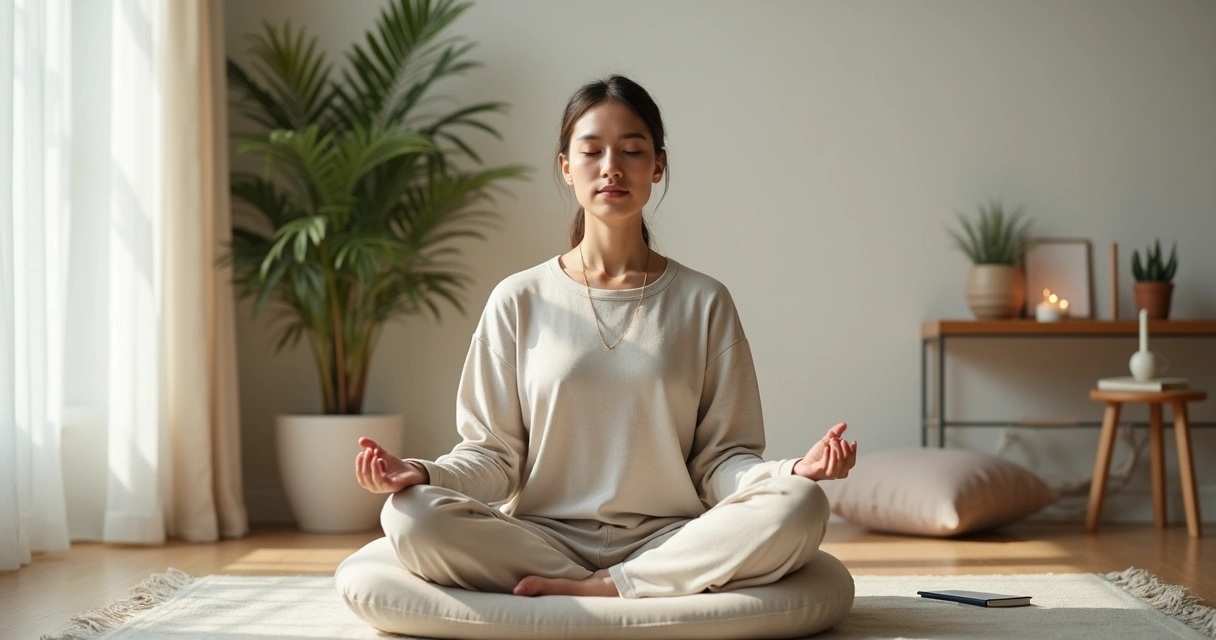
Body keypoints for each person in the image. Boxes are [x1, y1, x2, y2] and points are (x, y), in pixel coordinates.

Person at [354, 74, 858, 599]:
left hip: (672, 537)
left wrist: (795, 470)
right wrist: (417, 472)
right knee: (411, 514)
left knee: (801, 504)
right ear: (566, 167)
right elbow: (493, 458)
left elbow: (720, 461)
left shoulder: (704, 301)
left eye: (632, 151)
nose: (611, 167)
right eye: (592, 151)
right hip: (542, 538)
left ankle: (607, 586)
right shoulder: (519, 298)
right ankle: (610, 585)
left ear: (658, 165)